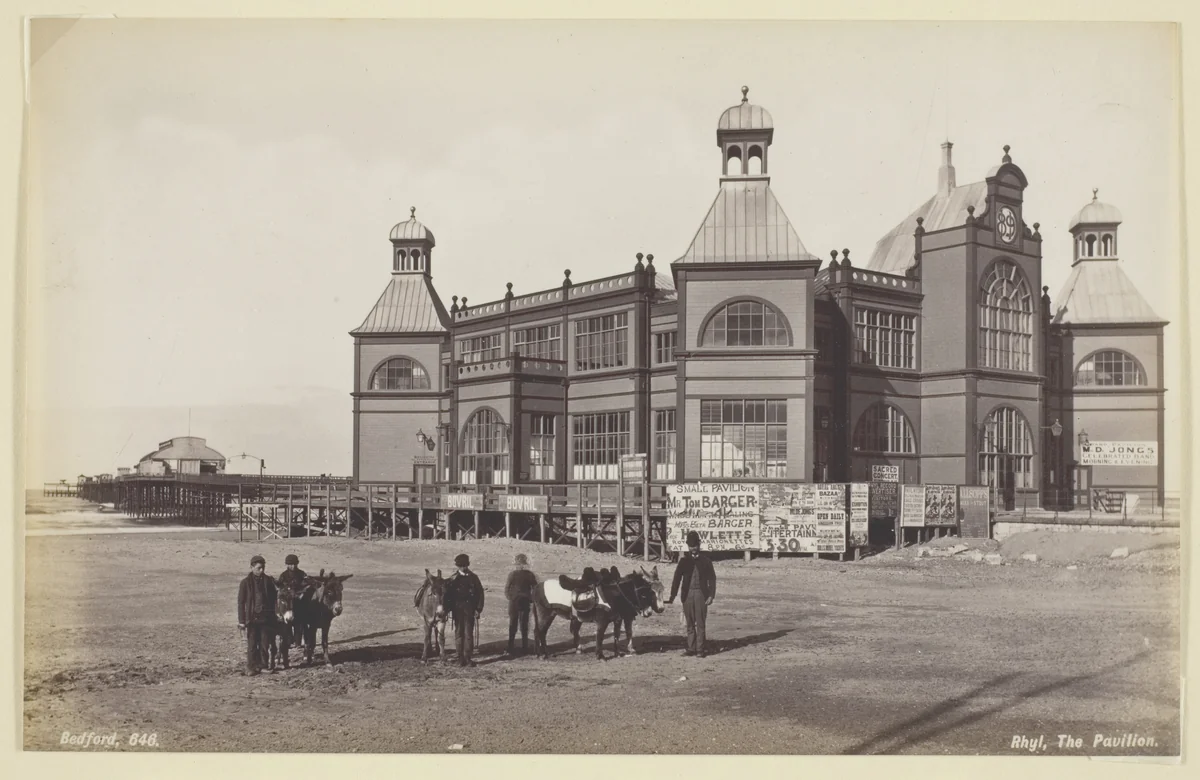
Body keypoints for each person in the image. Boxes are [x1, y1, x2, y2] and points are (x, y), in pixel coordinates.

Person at [666, 531, 717, 657]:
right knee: (689, 623)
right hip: (687, 595)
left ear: (699, 544)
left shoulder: (706, 561)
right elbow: (676, 579)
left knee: (700, 623)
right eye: (690, 546)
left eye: (694, 545)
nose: (693, 548)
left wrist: (711, 595)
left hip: (701, 594)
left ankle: (700, 649)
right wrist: (672, 596)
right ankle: (691, 648)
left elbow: (712, 579)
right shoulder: (683, 561)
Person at [237, 554, 279, 675]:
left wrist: (276, 614)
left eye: (263, 568)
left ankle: (263, 666)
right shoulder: (245, 583)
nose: (261, 570)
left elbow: (274, 599)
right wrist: (241, 621)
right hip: (251, 618)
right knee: (252, 644)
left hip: (266, 618)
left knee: (264, 643)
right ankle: (251, 667)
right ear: (252, 567)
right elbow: (241, 602)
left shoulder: (268, 581)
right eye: (259, 568)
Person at [447, 553, 485, 667]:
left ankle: (468, 658)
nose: (463, 568)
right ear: (458, 566)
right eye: (461, 566)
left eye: (464, 565)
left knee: (468, 634)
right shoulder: (453, 579)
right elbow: (448, 596)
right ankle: (460, 658)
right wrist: (448, 609)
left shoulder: (474, 578)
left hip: (470, 610)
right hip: (457, 611)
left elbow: (480, 594)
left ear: (467, 565)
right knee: (459, 634)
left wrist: (478, 609)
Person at [504, 553, 539, 656]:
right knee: (516, 624)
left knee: (521, 624)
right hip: (517, 602)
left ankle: (521, 647)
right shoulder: (517, 574)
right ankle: (514, 646)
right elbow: (506, 589)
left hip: (520, 602)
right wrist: (512, 598)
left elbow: (535, 588)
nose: (520, 566)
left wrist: (530, 599)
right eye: (519, 564)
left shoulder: (526, 575)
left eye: (521, 564)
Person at [277, 554, 308, 649]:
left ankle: (298, 642)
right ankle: (289, 641)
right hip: (288, 603)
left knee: (299, 622)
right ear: (287, 564)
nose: (293, 566)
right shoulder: (283, 575)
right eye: (290, 564)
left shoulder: (302, 574)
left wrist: (302, 592)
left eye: (294, 564)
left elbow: (306, 585)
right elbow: (280, 588)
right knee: (287, 623)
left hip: (299, 602)